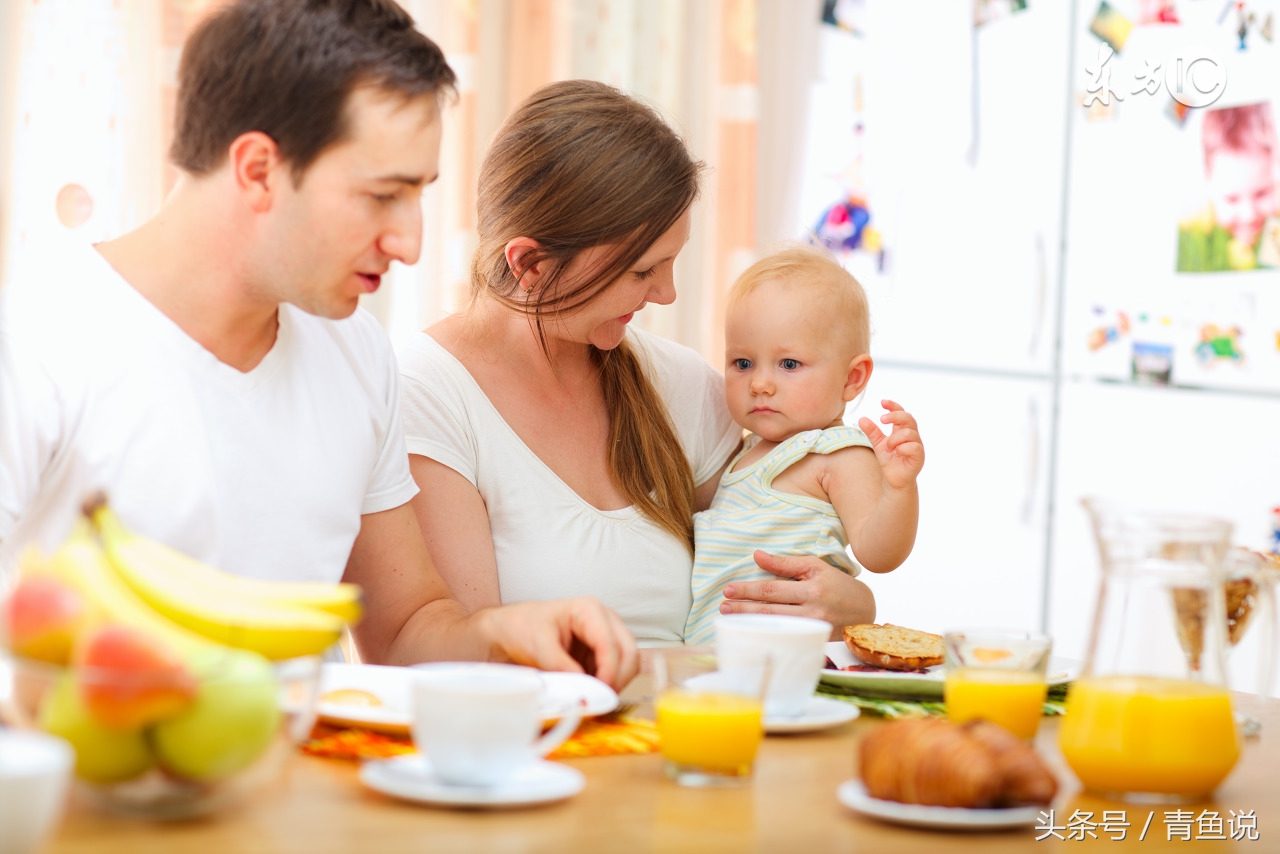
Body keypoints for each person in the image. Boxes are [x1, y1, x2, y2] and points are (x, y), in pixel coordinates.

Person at [0, 0, 635, 688]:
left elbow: (405, 626)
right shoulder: (35, 342)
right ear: (258, 169)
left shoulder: (355, 353)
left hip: (306, 758)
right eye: (382, 195)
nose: (411, 243)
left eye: (418, 195)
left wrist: (505, 635)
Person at [399, 82, 878, 647]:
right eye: (642, 271)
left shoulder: (684, 386)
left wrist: (852, 605)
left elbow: (781, 553)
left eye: (671, 263)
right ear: (530, 264)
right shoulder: (427, 395)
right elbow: (447, 656)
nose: (666, 294)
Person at [684, 246, 924, 644]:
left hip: (786, 654)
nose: (760, 383)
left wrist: (899, 488)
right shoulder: (744, 452)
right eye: (743, 363)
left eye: (789, 364)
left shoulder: (835, 453)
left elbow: (879, 554)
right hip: (717, 655)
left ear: (852, 378)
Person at [1177, 103, 1280, 273]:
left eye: (1262, 193)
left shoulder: (1276, 224)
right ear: (1208, 183)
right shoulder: (1194, 228)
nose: (1249, 215)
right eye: (1232, 199)